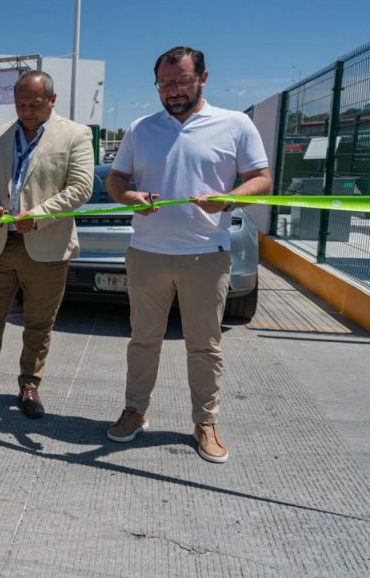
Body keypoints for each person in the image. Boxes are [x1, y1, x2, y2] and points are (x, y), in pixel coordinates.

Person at [105, 46, 271, 463]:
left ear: (203, 78)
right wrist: (128, 195)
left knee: (204, 345)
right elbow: (116, 178)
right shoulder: (141, 128)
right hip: (147, 253)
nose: (173, 91)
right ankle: (135, 411)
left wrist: (229, 199)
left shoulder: (235, 124)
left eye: (181, 81)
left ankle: (206, 421)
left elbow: (262, 179)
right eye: (164, 84)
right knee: (143, 340)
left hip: (205, 254)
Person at [0, 71, 94, 418]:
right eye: (20, 104)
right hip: (0, 246)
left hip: (46, 247)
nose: (26, 111)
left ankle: (30, 385)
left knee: (39, 323)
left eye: (34, 104)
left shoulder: (76, 135)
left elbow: (80, 188)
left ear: (52, 100)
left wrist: (39, 215)